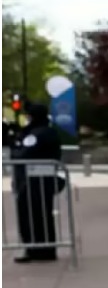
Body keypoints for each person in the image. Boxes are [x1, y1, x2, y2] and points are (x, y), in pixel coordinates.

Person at [11, 104, 65, 263]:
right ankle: (45, 249)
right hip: (44, 179)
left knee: (30, 214)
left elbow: (22, 154)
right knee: (43, 214)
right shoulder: (49, 131)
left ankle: (36, 249)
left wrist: (15, 146)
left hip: (33, 181)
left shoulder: (36, 134)